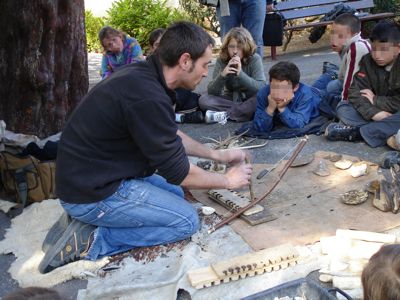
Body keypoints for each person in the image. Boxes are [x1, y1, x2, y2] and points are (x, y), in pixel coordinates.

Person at [39, 22, 252, 274]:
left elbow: (169, 133)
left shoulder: (146, 77)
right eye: (205, 64)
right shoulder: (146, 95)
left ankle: (86, 221)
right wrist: (227, 181)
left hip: (91, 177)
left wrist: (216, 154)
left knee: (174, 193)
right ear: (185, 61)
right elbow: (180, 172)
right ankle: (91, 240)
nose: (206, 73)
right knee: (185, 221)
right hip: (90, 192)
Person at [325, 20, 400, 148]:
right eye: (374, 49)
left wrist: (375, 100)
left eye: (383, 50)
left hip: (394, 111)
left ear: (398, 48)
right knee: (343, 108)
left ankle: (358, 133)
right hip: (378, 113)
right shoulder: (367, 61)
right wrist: (375, 113)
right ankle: (387, 130)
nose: (377, 55)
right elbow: (354, 91)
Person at [199, 27, 266, 122]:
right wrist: (222, 75)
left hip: (250, 98)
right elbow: (212, 91)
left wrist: (240, 74)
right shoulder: (221, 60)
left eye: (239, 47)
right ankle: (243, 112)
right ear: (227, 47)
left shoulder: (255, 59)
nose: (235, 51)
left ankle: (225, 115)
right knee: (204, 100)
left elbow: (261, 87)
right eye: (231, 46)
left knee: (265, 97)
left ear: (246, 47)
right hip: (231, 99)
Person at [148, 28, 204, 123]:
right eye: (157, 44)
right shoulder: (149, 63)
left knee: (196, 100)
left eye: (163, 43)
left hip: (178, 94)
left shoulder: (178, 57)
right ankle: (180, 117)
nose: (161, 47)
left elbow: (186, 81)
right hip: (161, 96)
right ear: (152, 48)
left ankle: (173, 116)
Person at [252, 61, 322, 134]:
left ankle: (329, 74)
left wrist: (282, 108)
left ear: (295, 87)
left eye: (283, 89)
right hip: (309, 89)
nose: (277, 94)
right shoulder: (263, 93)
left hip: (317, 95)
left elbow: (299, 124)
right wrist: (270, 109)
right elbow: (259, 127)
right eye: (274, 87)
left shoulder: (305, 94)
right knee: (317, 84)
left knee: (327, 88)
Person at [313, 13, 370, 100]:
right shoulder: (349, 44)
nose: (333, 39)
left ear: (354, 35)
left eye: (340, 36)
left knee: (328, 88)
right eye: (332, 33)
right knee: (326, 83)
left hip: (359, 88)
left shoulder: (357, 48)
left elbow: (350, 83)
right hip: (341, 77)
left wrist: (344, 104)